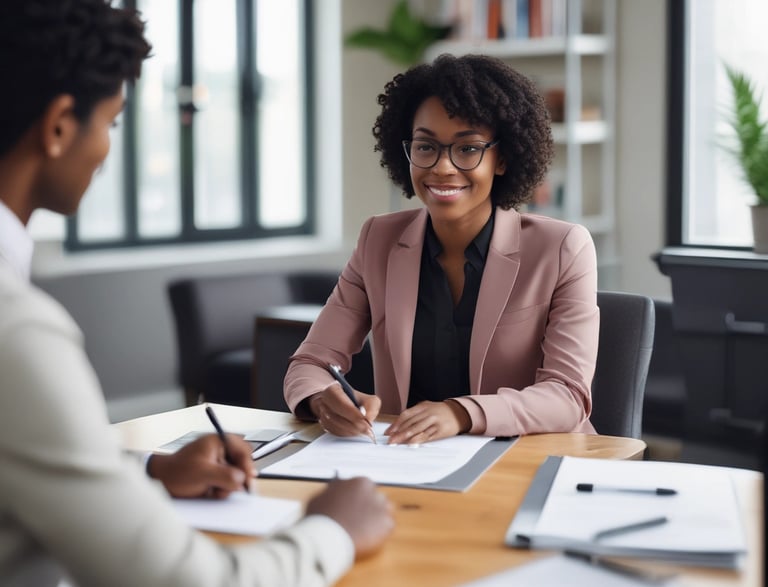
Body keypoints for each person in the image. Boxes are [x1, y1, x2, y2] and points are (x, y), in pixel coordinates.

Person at [0, 1, 393, 586]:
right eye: (110, 124)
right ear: (58, 127)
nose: (107, 152)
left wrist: (149, 469)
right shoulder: (18, 333)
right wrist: (333, 529)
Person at [284, 54, 599, 445]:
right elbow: (311, 362)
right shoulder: (378, 241)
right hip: (411, 462)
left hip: (531, 459)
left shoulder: (563, 248)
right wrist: (320, 398)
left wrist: (460, 413)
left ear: (501, 159)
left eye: (467, 149)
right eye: (426, 147)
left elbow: (567, 396)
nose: (443, 168)